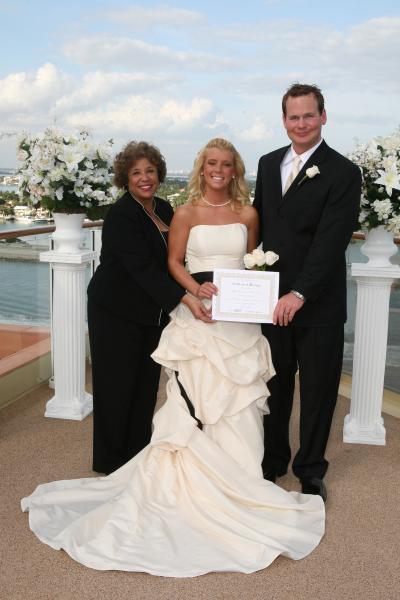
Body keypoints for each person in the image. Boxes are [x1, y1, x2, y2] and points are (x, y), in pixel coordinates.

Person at [21, 138, 325, 577]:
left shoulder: (193, 210)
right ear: (201, 168)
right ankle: (117, 464)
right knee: (127, 387)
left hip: (220, 319)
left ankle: (237, 478)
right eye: (211, 164)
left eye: (226, 164)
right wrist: (191, 297)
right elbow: (166, 264)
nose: (219, 170)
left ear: (234, 170)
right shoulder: (147, 214)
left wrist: (251, 293)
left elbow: (251, 261)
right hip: (132, 309)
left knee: (186, 393)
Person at [253, 83, 362, 502]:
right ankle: (272, 460)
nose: (300, 124)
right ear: (284, 120)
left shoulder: (343, 171)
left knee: (318, 389)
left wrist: (298, 293)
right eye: (293, 117)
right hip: (269, 300)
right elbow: (259, 227)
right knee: (274, 384)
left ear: (323, 117)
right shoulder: (265, 164)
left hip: (317, 303)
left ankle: (311, 469)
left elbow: (331, 241)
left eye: (308, 115)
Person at [87, 141, 210, 475]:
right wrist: (187, 298)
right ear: (125, 179)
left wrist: (204, 281)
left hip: (152, 313)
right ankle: (110, 462)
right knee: (116, 386)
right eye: (136, 172)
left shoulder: (165, 208)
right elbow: (142, 269)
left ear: (159, 174)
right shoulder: (121, 215)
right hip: (115, 310)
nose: (144, 178)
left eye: (150, 171)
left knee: (144, 386)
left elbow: (177, 259)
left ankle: (136, 454)